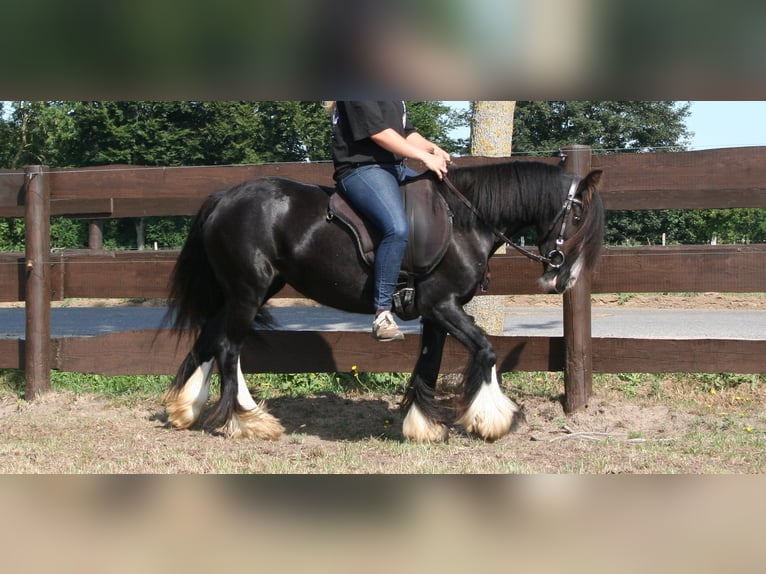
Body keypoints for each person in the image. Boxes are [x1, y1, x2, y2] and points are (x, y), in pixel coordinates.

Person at [332, 101, 451, 341]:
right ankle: (382, 313)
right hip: (361, 169)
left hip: (395, 168)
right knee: (396, 228)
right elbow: (379, 133)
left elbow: (407, 133)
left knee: (442, 203)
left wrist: (432, 149)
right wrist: (421, 157)